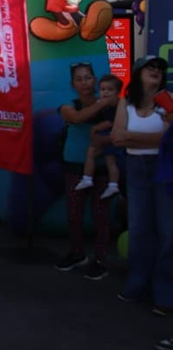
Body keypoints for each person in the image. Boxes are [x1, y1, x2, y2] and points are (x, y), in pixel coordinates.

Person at [111, 56, 171, 312]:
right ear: (138, 73)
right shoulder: (126, 102)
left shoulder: (168, 101)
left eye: (159, 68)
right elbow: (116, 138)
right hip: (136, 170)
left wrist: (130, 137)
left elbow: (167, 140)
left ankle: (165, 295)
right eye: (150, 67)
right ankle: (137, 285)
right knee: (139, 230)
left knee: (168, 233)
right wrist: (153, 139)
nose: (156, 71)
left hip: (164, 171)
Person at [55, 62, 118, 279]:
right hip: (74, 166)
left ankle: (100, 259)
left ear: (95, 80)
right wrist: (103, 103)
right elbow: (75, 118)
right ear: (73, 84)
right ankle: (77, 252)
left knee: (101, 216)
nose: (84, 82)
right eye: (79, 79)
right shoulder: (68, 104)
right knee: (74, 214)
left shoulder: (113, 107)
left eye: (88, 77)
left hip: (102, 167)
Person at [74, 74, 124, 199]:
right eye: (103, 89)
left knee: (93, 152)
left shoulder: (116, 105)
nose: (105, 92)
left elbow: (112, 121)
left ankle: (88, 178)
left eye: (109, 89)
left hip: (112, 135)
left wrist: (96, 128)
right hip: (107, 136)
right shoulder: (101, 104)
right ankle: (112, 185)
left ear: (117, 92)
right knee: (109, 160)